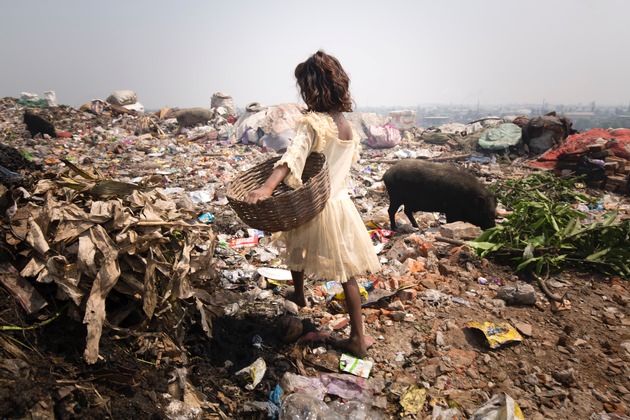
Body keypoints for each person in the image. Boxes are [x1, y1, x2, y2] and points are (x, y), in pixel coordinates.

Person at [245, 50, 381, 358]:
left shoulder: (313, 123)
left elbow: (292, 158)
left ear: (312, 87)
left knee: (298, 244)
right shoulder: (347, 124)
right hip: (341, 205)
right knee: (345, 272)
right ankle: (314, 304)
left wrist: (266, 188)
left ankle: (355, 338)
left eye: (304, 87)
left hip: (317, 205)